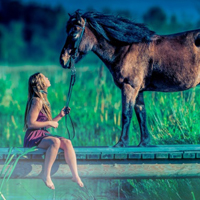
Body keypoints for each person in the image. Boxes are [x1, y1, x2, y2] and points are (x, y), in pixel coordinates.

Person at [23, 72, 84, 189]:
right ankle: (46, 175)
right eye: (45, 77)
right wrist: (50, 122)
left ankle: (75, 175)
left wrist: (60, 116)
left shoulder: (43, 100)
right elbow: (30, 124)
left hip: (42, 134)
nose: (47, 77)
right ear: (41, 82)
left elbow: (44, 125)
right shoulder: (37, 100)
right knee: (55, 141)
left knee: (67, 142)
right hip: (34, 137)